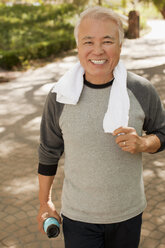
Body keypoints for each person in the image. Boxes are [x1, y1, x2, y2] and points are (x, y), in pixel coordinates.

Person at [37, 6, 165, 248]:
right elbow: (48, 152)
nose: (97, 50)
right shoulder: (59, 96)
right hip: (78, 217)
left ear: (120, 46)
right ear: (78, 46)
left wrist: (145, 143)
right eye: (88, 42)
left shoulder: (141, 90)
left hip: (128, 214)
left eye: (107, 41)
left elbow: (163, 132)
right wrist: (46, 202)